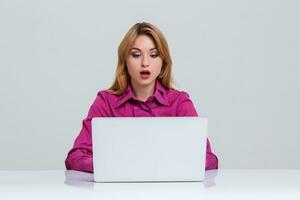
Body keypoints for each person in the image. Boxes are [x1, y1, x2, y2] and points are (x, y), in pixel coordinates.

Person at [65, 22, 218, 173]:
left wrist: (164, 165)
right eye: (136, 55)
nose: (145, 63)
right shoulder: (106, 102)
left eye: (153, 55)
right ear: (125, 61)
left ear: (163, 62)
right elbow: (75, 157)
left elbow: (209, 159)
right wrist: (110, 166)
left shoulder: (179, 102)